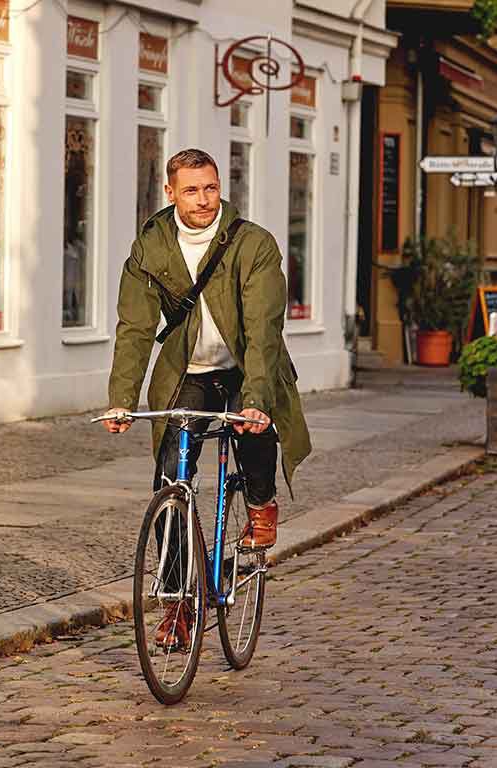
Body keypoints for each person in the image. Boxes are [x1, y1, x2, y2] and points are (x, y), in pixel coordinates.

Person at [101, 148, 311, 649]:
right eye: (192, 190)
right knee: (171, 480)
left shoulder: (253, 244)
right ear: (170, 192)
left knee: (254, 425)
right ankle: (176, 605)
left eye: (211, 188)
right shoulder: (150, 250)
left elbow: (262, 332)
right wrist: (121, 399)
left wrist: (257, 399)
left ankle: (260, 503)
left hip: (244, 368)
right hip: (188, 372)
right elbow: (133, 329)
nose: (204, 199)